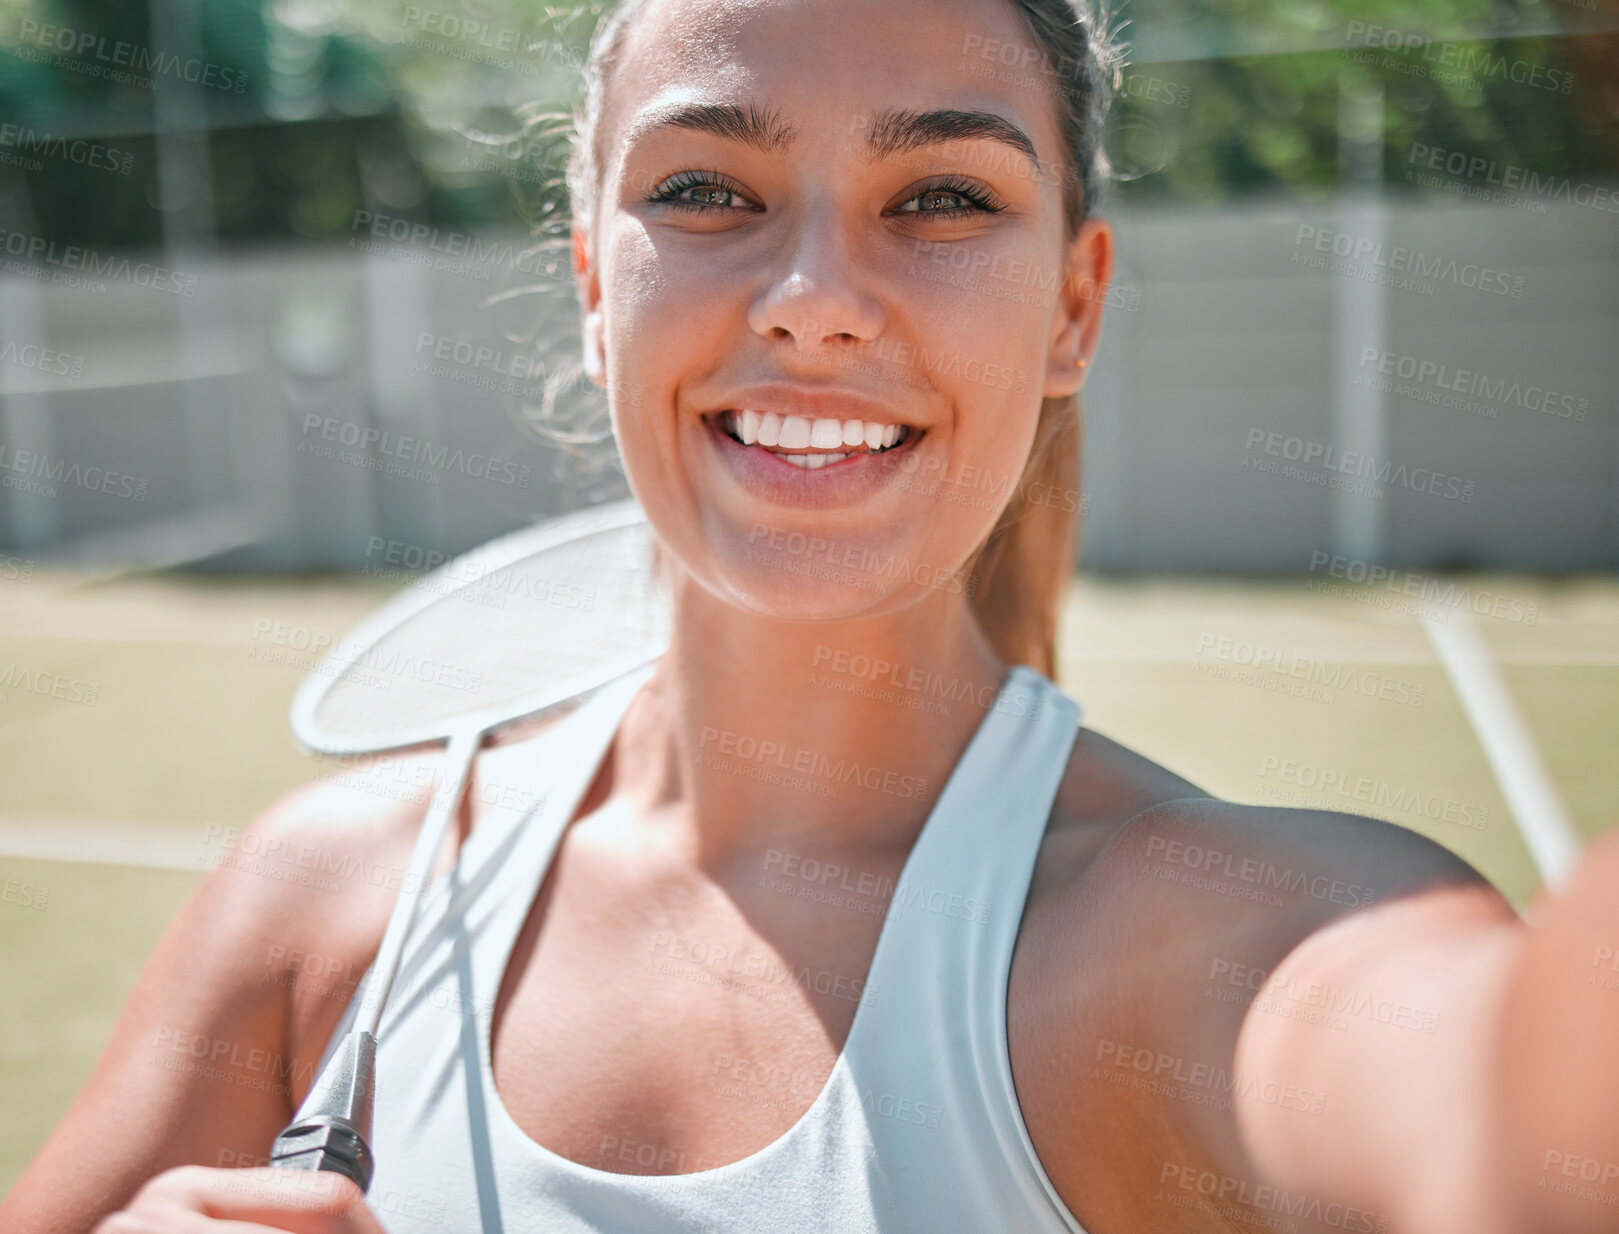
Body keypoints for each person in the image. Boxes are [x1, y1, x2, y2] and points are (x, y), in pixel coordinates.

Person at [6, 0, 1616, 1231]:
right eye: (708, 185)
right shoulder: (326, 900)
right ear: (588, 277)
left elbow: (1508, 1131)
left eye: (944, 197)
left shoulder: (1212, 938)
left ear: (1074, 306)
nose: (816, 298)